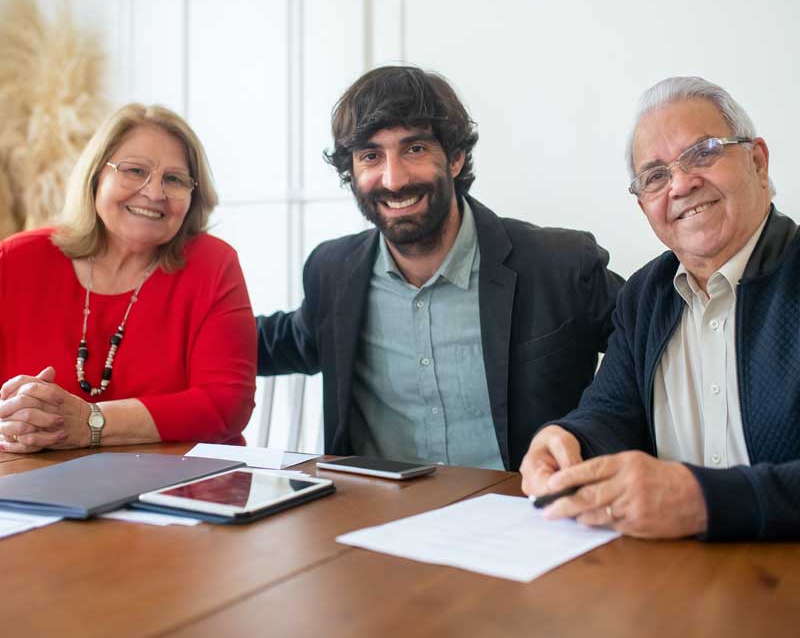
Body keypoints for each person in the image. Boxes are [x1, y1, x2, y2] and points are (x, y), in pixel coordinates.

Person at [257, 65, 623, 470]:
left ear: (455, 157)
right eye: (371, 156)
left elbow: (650, 340)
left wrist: (592, 427)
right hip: (373, 519)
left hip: (528, 514)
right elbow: (273, 342)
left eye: (414, 149)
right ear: (353, 171)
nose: (393, 180)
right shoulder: (332, 272)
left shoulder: (559, 264)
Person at [521, 76, 800, 540]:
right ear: (645, 206)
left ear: (757, 161)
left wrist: (705, 500)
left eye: (704, 152)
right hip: (671, 578)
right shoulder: (644, 295)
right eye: (655, 176)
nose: (681, 185)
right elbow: (610, 412)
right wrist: (568, 442)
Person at [0, 104, 256, 452]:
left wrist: (91, 421)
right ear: (95, 177)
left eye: (174, 179)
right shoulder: (16, 260)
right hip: (30, 481)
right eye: (135, 171)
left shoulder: (213, 264)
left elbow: (226, 404)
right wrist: (13, 418)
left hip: (185, 487)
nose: (154, 193)